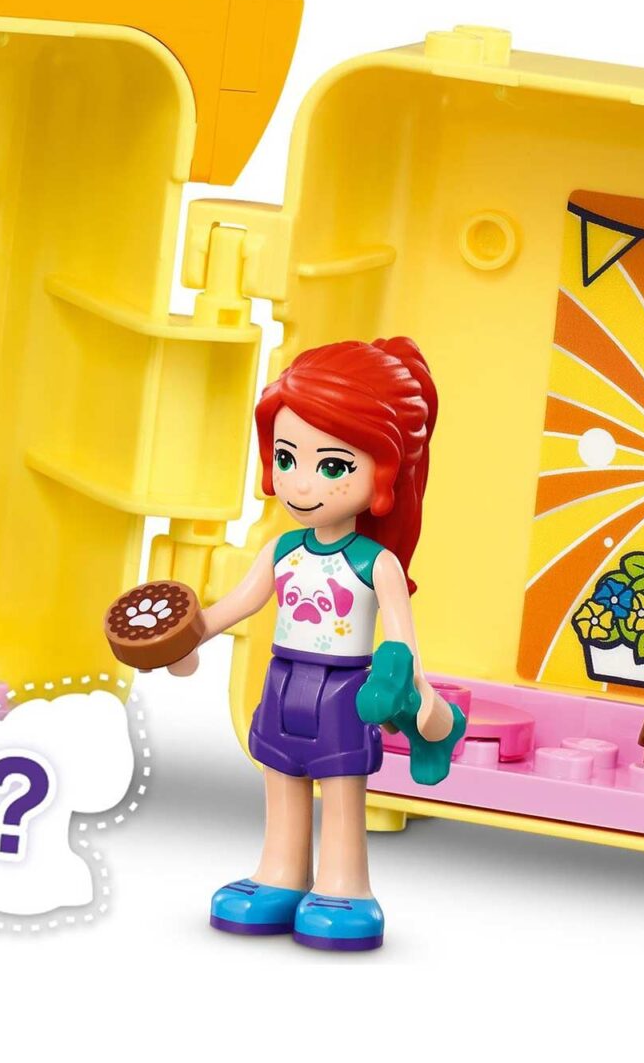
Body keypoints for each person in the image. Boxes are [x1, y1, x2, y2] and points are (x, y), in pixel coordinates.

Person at [159, 337, 453, 952]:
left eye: (334, 466)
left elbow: (402, 643)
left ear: (384, 473)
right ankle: (280, 874)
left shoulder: (377, 563)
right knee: (281, 776)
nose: (301, 482)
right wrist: (185, 639)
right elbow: (235, 606)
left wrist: (415, 693)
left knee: (342, 791)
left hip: (347, 690)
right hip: (283, 680)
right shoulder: (283, 551)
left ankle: (347, 885)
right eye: (287, 457)